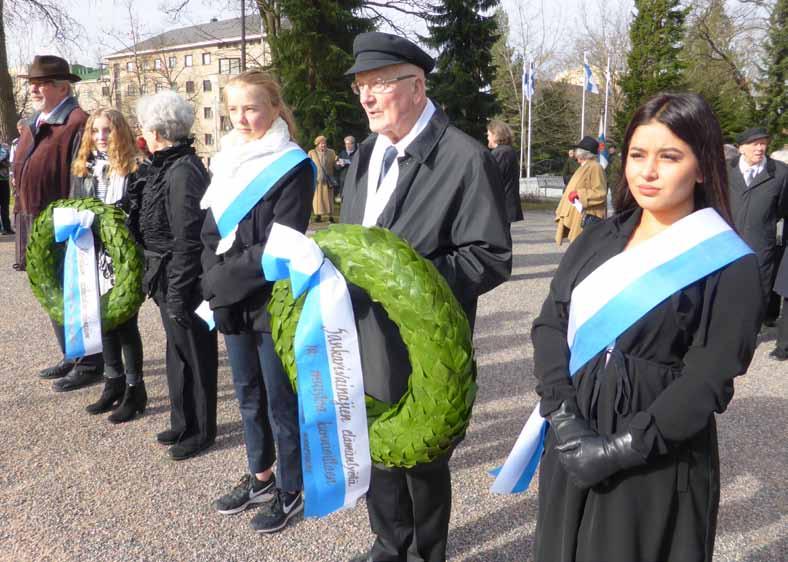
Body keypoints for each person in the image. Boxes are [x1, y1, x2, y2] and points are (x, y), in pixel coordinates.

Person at [531, 93, 763, 562]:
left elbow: (709, 378)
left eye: (669, 156)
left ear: (702, 167)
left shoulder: (729, 263)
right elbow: (551, 323)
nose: (647, 171)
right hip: (573, 439)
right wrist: (562, 415)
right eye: (637, 155)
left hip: (653, 458)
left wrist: (622, 448)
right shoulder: (598, 237)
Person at [341, 32, 512, 562]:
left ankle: (424, 552)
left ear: (416, 87)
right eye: (360, 87)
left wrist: (405, 282)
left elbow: (488, 256)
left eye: (378, 85)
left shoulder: (463, 158)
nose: (366, 97)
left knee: (421, 458)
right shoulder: (368, 153)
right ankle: (388, 542)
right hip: (360, 334)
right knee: (374, 441)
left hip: (421, 347)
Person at [200, 70, 313, 533]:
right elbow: (208, 231)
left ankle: (291, 487)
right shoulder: (227, 158)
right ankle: (261, 475)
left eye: (252, 108)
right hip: (229, 297)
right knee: (247, 395)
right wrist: (213, 278)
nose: (242, 118)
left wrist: (221, 281)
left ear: (274, 106)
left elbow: (281, 243)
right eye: (233, 109)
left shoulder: (294, 165)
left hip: (270, 298)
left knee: (278, 399)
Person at [12, 55, 105, 390]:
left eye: (42, 83)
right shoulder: (37, 120)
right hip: (32, 219)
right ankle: (70, 353)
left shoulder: (77, 122)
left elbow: (81, 178)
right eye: (32, 82)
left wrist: (74, 221)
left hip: (63, 223)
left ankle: (90, 361)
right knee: (50, 290)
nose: (34, 88)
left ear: (63, 86)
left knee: (73, 290)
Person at [134, 90, 218, 460]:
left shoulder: (183, 170)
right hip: (164, 275)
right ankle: (183, 419)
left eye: (145, 127)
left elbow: (188, 238)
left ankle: (201, 429)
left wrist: (181, 291)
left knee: (196, 353)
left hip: (181, 276)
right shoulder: (166, 165)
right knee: (176, 350)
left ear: (157, 130)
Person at [69, 108, 146, 423]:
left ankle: (134, 387)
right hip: (93, 255)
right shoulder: (83, 169)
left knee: (125, 324)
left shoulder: (135, 169)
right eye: (96, 131)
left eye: (108, 131)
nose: (101, 137)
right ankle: (112, 382)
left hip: (123, 257)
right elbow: (74, 206)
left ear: (121, 133)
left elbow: (141, 214)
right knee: (102, 320)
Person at [727, 127, 788, 318]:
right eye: (754, 144)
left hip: (761, 245)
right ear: (741, 148)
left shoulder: (780, 172)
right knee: (728, 293)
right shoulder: (726, 169)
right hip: (728, 244)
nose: (760, 148)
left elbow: (781, 208)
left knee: (757, 295)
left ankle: (750, 338)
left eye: (763, 143)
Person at [554, 136, 607, 245]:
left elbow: (600, 192)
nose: (575, 152)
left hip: (587, 217)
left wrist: (579, 194)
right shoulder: (584, 166)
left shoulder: (595, 167)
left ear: (583, 153)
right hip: (579, 215)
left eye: (577, 150)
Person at [487, 120, 524, 224]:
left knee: (499, 238)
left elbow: (492, 179)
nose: (487, 138)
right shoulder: (507, 151)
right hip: (503, 206)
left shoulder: (501, 153)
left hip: (500, 206)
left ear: (496, 135)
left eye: (489, 135)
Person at [309, 135, 337, 222]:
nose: (323, 145)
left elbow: (335, 164)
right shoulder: (312, 153)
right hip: (317, 180)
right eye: (321, 143)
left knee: (329, 199)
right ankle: (318, 216)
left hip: (328, 180)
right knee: (317, 199)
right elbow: (308, 165)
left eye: (324, 143)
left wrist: (338, 163)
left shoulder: (331, 152)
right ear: (317, 144)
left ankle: (330, 217)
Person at [0, 142, 11, 234]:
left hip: (4, 179)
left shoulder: (5, 147)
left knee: (5, 204)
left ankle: (6, 227)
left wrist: (3, 163)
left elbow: (8, 161)